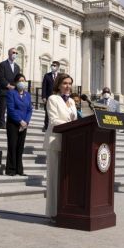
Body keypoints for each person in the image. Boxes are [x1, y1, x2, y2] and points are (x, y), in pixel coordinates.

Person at [43, 73, 78, 218]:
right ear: (58, 84)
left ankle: (64, 209)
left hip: (69, 143)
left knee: (65, 180)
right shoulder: (53, 99)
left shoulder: (72, 101)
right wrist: (71, 125)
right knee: (54, 178)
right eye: (65, 83)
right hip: (55, 141)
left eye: (70, 83)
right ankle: (52, 212)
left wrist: (74, 122)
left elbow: (75, 119)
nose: (68, 86)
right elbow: (54, 120)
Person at [5, 73, 32, 176]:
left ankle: (19, 169)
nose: (22, 83)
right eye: (20, 80)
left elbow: (30, 110)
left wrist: (26, 122)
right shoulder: (11, 93)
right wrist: (20, 121)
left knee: (20, 147)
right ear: (16, 83)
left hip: (24, 124)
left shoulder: (28, 95)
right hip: (13, 123)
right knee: (12, 146)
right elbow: (11, 109)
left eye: (24, 80)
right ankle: (11, 169)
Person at [0, 48, 20, 128]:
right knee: (2, 108)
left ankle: (10, 124)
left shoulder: (17, 67)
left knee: (12, 109)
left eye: (16, 53)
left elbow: (18, 79)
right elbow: (1, 77)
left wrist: (16, 87)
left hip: (13, 92)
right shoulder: (2, 64)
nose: (15, 54)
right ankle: (1, 124)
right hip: (4, 90)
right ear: (9, 53)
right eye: (13, 52)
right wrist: (8, 86)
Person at [40, 61, 59, 131]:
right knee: (47, 112)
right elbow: (44, 86)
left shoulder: (60, 76)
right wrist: (44, 97)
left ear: (58, 67)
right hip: (48, 97)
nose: (53, 67)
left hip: (57, 98)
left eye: (54, 65)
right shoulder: (47, 75)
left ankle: (54, 126)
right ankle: (46, 126)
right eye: (52, 65)